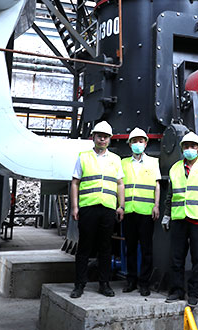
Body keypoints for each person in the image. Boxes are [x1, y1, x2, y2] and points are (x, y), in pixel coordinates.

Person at [162, 132, 198, 307]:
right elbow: (170, 195)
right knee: (176, 257)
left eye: (193, 146)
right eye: (186, 146)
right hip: (179, 218)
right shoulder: (175, 169)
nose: (189, 149)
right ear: (182, 148)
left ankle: (194, 293)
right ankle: (177, 291)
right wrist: (167, 215)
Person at [69, 121, 125, 299]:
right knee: (84, 247)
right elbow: (75, 182)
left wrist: (121, 206)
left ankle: (104, 284)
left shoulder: (115, 159)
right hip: (88, 207)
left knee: (105, 248)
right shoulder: (83, 157)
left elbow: (120, 184)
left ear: (109, 139)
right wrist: (75, 206)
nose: (102, 139)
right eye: (99, 135)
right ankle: (79, 285)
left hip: (108, 208)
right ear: (93, 137)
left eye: (106, 136)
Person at [120, 127, 161, 296]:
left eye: (141, 141)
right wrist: (121, 207)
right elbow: (120, 186)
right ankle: (131, 280)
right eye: (134, 141)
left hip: (146, 212)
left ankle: (144, 283)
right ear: (129, 144)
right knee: (130, 248)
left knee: (146, 249)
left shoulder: (153, 162)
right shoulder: (123, 163)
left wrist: (156, 205)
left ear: (146, 143)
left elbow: (157, 185)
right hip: (129, 211)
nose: (138, 144)